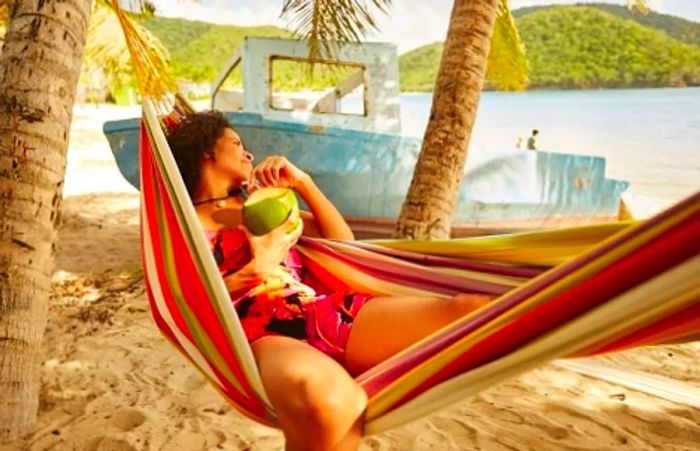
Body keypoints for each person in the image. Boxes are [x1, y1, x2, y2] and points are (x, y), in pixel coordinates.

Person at [167, 110, 495, 451]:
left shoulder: (258, 202)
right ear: (207, 152)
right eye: (236, 144)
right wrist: (258, 267)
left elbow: (344, 243)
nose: (248, 154)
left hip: (324, 312)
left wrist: (303, 183)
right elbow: (187, 305)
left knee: (468, 311)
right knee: (331, 402)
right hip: (264, 335)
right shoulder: (182, 227)